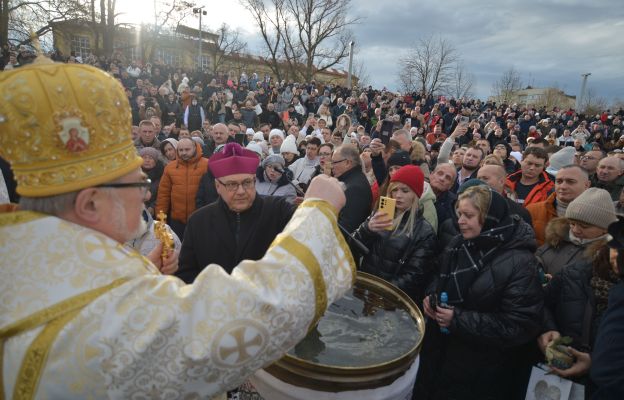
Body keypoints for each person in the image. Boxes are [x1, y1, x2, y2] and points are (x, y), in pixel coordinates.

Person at [0, 59, 354, 399]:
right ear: (90, 205)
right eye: (136, 185)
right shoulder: (105, 323)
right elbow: (246, 316)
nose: (146, 193)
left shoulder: (26, 265)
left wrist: (143, 275)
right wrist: (319, 212)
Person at [417, 185, 543, 399]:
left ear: (490, 218)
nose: (460, 221)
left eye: (469, 215)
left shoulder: (520, 263)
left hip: (479, 370)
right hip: (439, 354)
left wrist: (458, 319)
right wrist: (432, 296)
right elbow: (440, 275)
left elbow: (519, 325)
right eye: (459, 214)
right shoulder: (459, 243)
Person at [177, 143, 296, 282]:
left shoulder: (278, 210)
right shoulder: (198, 222)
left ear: (254, 181)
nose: (241, 191)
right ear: (217, 186)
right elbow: (186, 275)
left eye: (247, 182)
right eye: (232, 184)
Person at [538, 189, 618, 390]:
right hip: (559, 360)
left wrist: (596, 360)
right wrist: (548, 329)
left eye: (584, 226)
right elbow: (543, 304)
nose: (576, 230)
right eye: (572, 223)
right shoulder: (557, 248)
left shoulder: (608, 263)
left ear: (605, 228)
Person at [353, 165, 437, 304]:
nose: (398, 195)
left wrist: (382, 293)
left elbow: (414, 277)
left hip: (391, 302)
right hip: (363, 292)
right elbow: (352, 246)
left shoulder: (424, 231)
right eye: (394, 190)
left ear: (415, 194)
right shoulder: (380, 214)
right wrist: (367, 229)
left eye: (405, 191)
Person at [155, 137, 209, 239]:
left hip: (201, 220)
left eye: (187, 150)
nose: (184, 153)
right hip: (177, 221)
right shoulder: (170, 168)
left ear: (194, 148)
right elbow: (163, 196)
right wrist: (160, 222)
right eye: (181, 150)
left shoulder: (207, 165)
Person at [526, 165, 590, 246]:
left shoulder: (598, 214)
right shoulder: (532, 210)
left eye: (571, 181)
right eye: (559, 181)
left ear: (587, 185)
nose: (562, 186)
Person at [331, 144, 373, 233]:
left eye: (334, 162)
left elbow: (345, 228)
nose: (332, 166)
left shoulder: (355, 188)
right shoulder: (349, 180)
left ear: (347, 163)